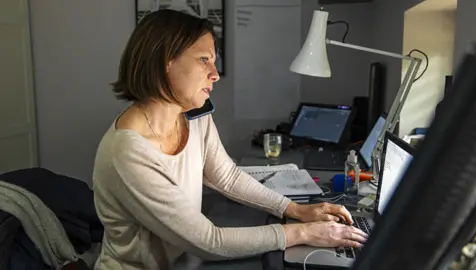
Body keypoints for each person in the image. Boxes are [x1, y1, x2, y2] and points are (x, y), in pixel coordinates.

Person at [92, 9, 367, 270]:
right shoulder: (127, 151)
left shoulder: (194, 114)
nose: (215, 73)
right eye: (204, 59)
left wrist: (295, 209)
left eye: (214, 60)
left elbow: (226, 177)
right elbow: (207, 241)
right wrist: (303, 232)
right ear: (166, 60)